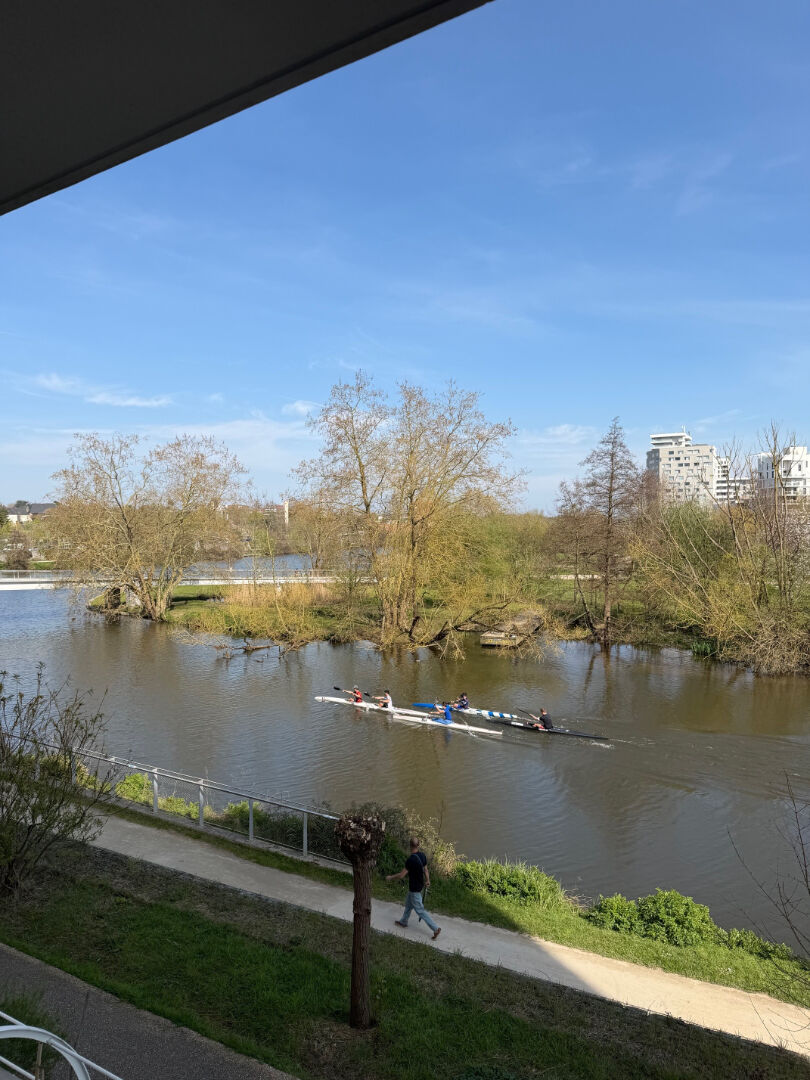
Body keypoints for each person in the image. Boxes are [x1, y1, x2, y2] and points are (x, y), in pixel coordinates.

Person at [387, 838, 441, 940]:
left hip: (414, 889)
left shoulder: (411, 860)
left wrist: (391, 877)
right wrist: (428, 880)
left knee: (420, 911)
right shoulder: (423, 856)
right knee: (408, 904)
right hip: (419, 886)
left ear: (410, 846)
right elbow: (425, 870)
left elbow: (402, 875)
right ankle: (403, 922)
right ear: (418, 845)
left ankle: (435, 928)